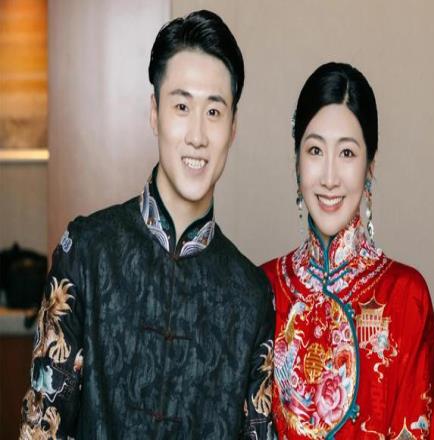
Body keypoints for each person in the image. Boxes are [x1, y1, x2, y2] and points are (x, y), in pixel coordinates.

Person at [20, 10, 274, 439]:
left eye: (214, 111)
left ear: (233, 127)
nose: (197, 135)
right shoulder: (86, 251)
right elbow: (41, 423)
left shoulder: (251, 295)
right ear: (155, 113)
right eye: (181, 106)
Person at [262, 62, 434, 439]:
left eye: (347, 153)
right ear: (297, 163)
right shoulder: (261, 289)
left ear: (370, 167)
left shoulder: (406, 297)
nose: (330, 178)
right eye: (315, 150)